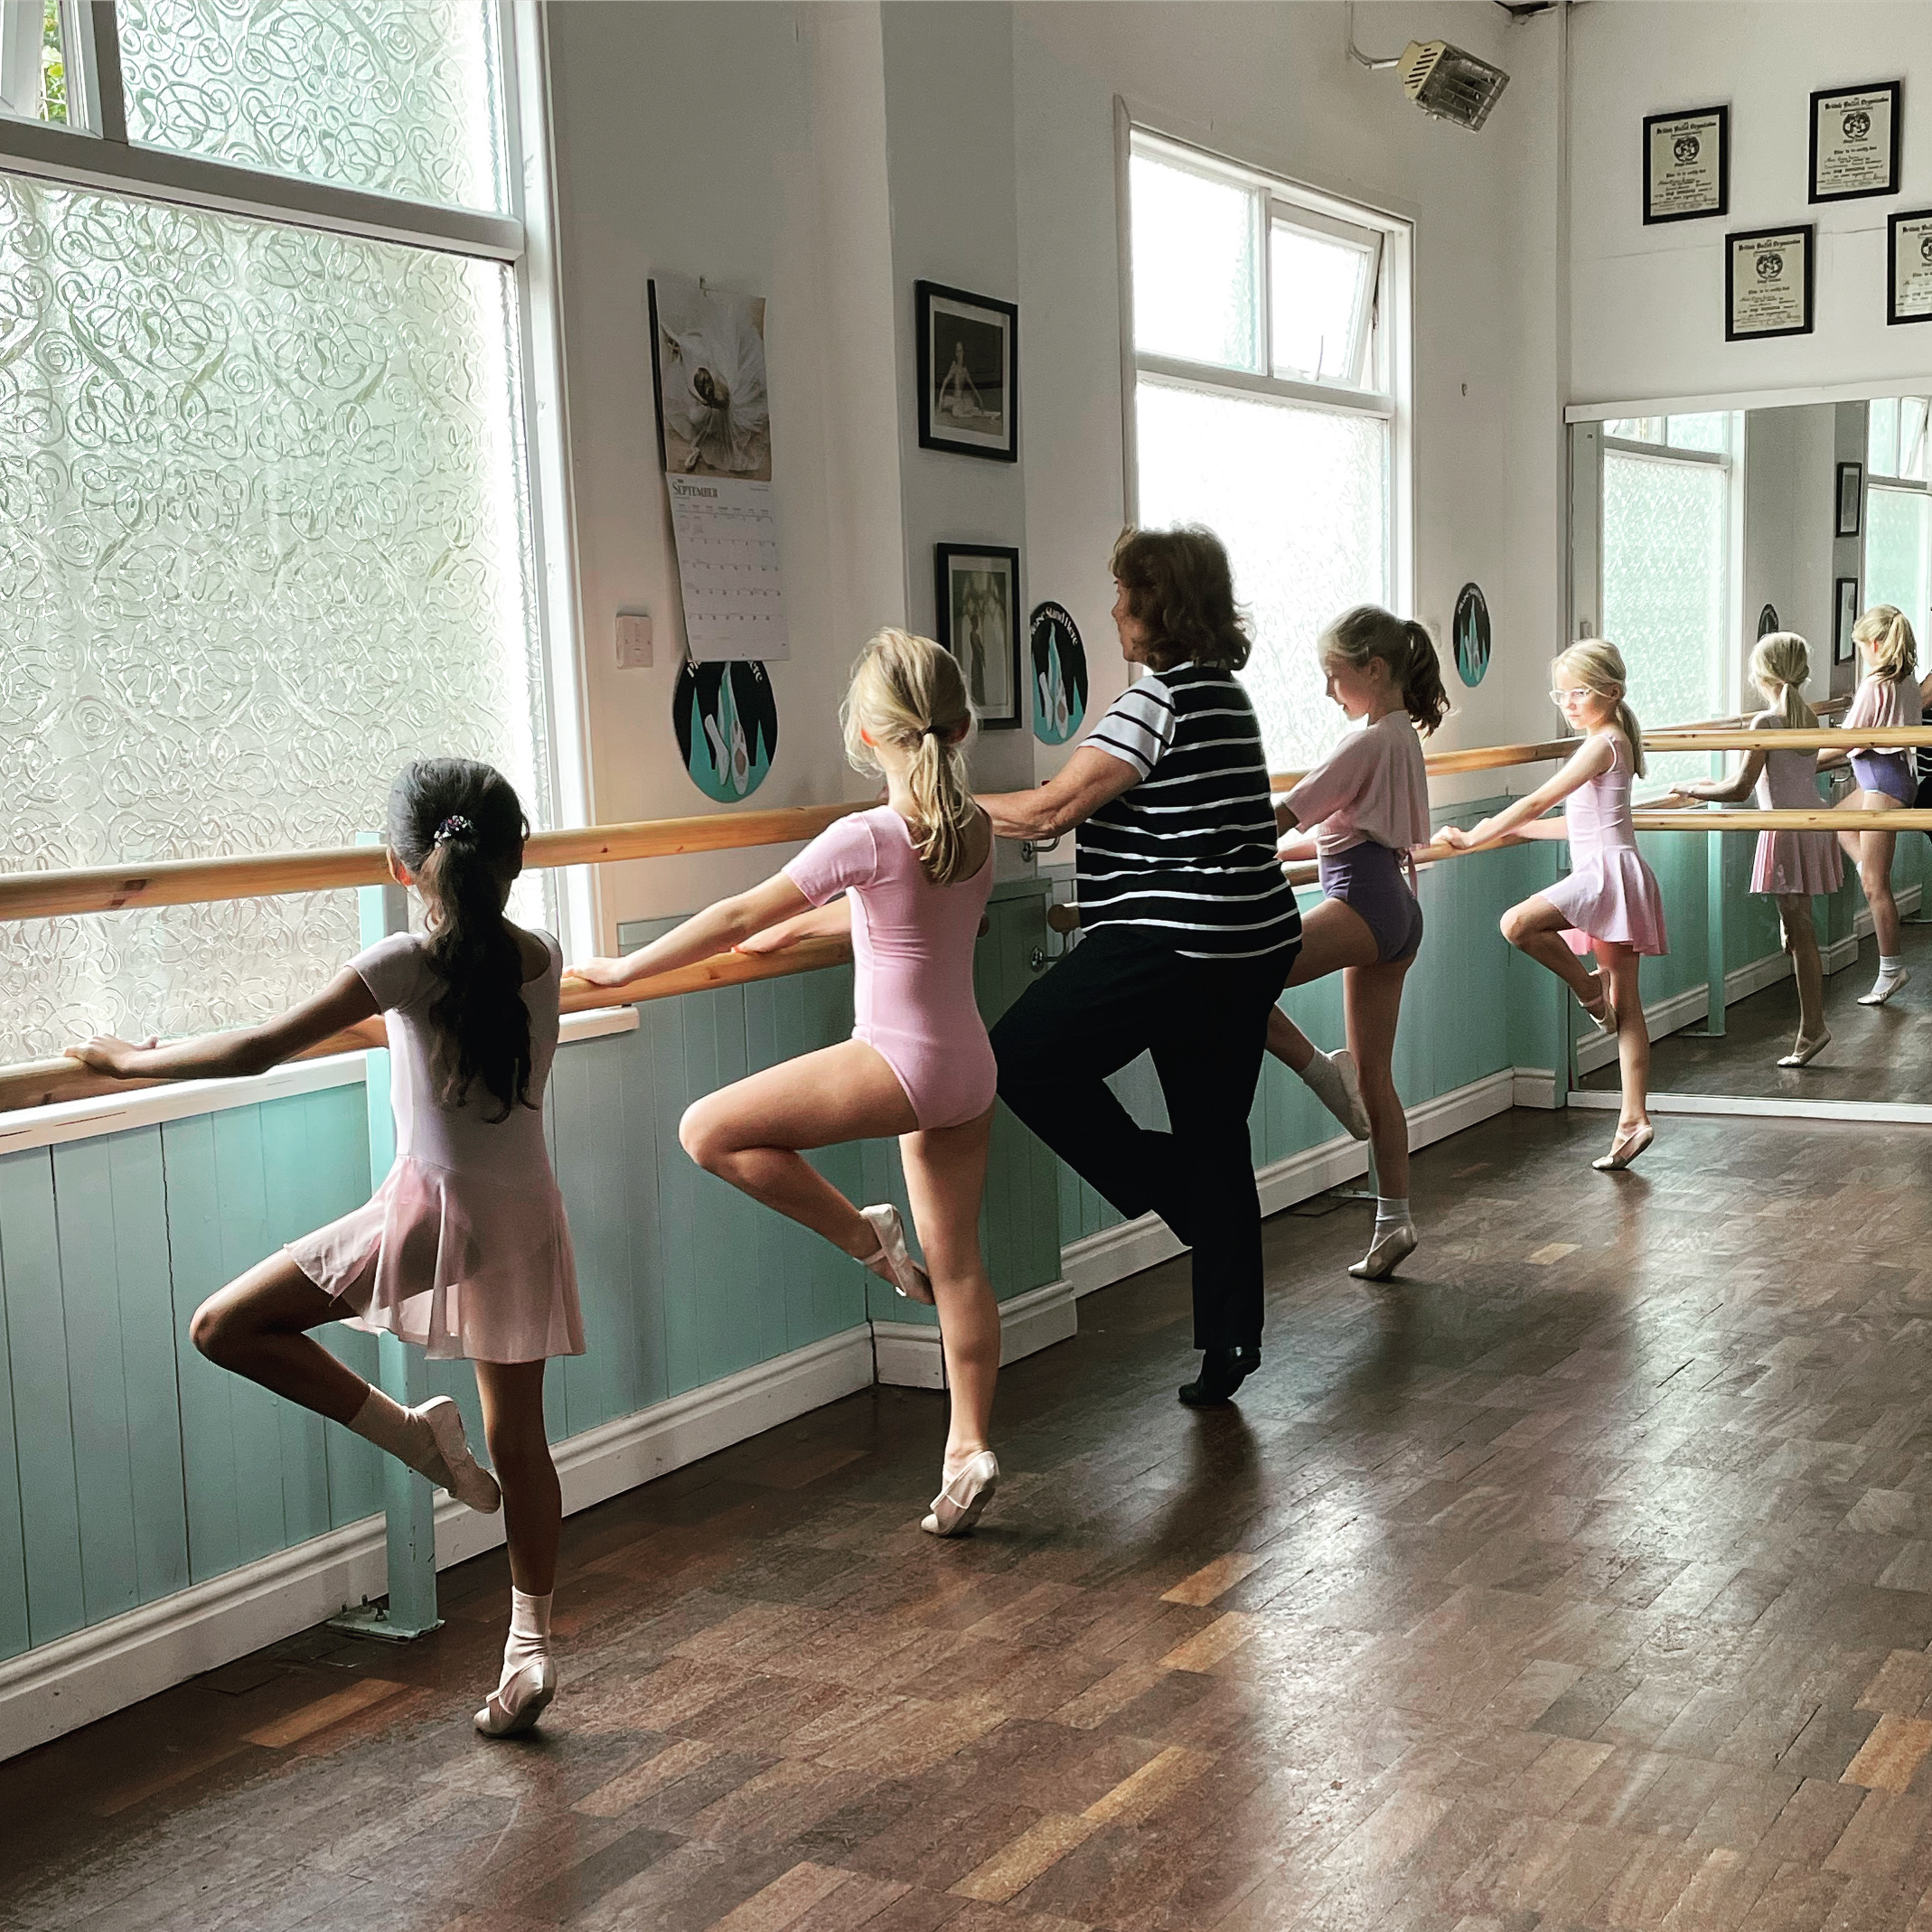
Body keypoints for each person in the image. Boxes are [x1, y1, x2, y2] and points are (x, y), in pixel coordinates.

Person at [68, 760, 581, 1738]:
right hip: (527, 1216)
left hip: (433, 1217)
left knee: (223, 1325)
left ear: (400, 864)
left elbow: (254, 1049)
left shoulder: (401, 964)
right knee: (521, 1440)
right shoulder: (545, 956)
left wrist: (125, 1059)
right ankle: (530, 1647)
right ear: (517, 858)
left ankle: (409, 1433)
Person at [572, 631, 1004, 1536]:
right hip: (967, 1063)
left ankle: (863, 1234)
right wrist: (805, 936)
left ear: (864, 734)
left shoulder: (867, 834)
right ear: (956, 727)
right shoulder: (972, 828)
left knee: (708, 1130)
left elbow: (736, 911)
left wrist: (623, 972)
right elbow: (896, 929)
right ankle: (966, 1448)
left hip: (896, 1059)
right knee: (959, 1266)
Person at [980, 526, 1303, 1409]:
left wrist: (925, 802)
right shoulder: (1225, 695)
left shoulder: (1155, 699)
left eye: (1123, 593)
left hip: (1183, 943)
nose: (1113, 609)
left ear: (1154, 603)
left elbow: (1050, 812)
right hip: (1248, 940)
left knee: (1017, 1053)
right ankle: (1229, 1343)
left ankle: (1182, 1201)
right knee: (1212, 1132)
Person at [1266, 606, 1448, 1280]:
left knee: (1225, 978)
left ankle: (1317, 1068)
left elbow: (1284, 816)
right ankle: (1393, 1223)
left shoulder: (1362, 743)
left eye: (1334, 677)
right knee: (1375, 1077)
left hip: (1363, 905)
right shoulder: (1400, 735)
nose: (1327, 691)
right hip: (1397, 908)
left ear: (1373, 671)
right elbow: (1346, 831)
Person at [1442, 641, 1665, 1171]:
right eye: (1560, 693)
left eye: (1579, 692)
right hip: (1615, 871)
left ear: (1612, 693)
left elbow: (1537, 799)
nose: (1567, 702)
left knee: (1516, 924)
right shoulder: (1607, 740)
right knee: (1628, 1008)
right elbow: (1572, 823)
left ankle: (1588, 988)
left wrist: (1478, 834)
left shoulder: (1603, 742)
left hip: (1605, 875)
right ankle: (1633, 1120)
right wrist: (1512, 831)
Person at [1667, 633, 1840, 1065]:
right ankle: (1812, 1023)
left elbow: (1743, 787)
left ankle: (1813, 1029)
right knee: (1797, 927)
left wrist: (1691, 787)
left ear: (1762, 673)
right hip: (1810, 822)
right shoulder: (1806, 719)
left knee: (1800, 932)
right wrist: (1712, 786)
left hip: (1784, 828)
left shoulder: (1766, 723)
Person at [1824, 605, 1918, 1007]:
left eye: (1860, 646)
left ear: (1875, 643)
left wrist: (1799, 759)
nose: (1861, 653)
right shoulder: (1906, 679)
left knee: (1876, 888)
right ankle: (1868, 869)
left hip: (1882, 781)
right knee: (1838, 821)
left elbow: (1848, 740)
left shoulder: (1875, 683)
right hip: (1888, 775)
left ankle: (1891, 969)